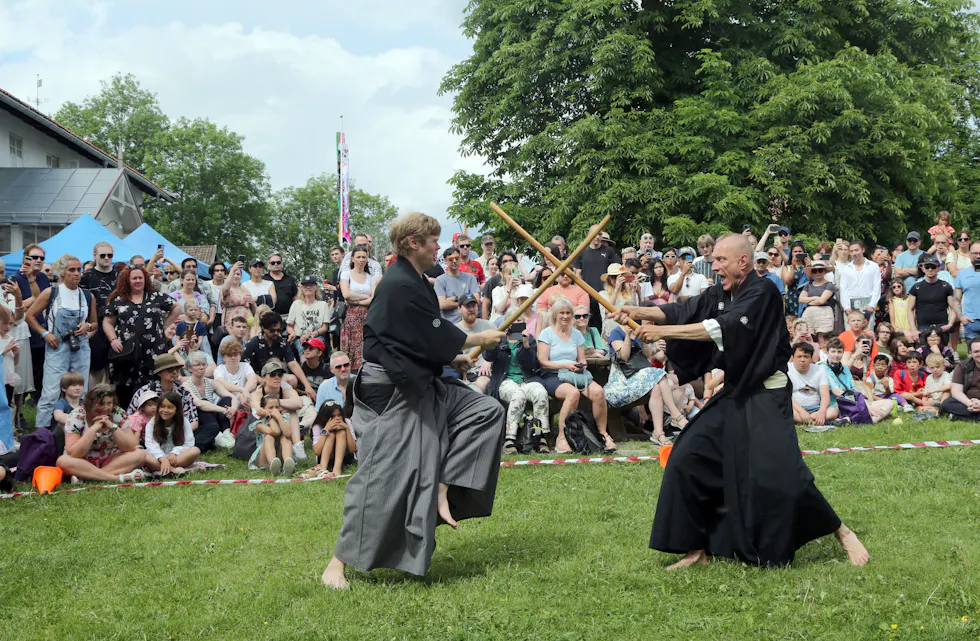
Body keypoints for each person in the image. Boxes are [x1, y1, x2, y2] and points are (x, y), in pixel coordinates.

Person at [615, 233, 868, 569]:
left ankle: (842, 532)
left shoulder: (762, 291)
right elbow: (682, 309)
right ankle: (695, 551)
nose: (715, 265)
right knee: (686, 456)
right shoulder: (720, 292)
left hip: (767, 393)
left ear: (742, 262)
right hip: (736, 391)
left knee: (780, 472)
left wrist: (663, 334)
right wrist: (635, 309)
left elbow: (722, 327)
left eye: (720, 260)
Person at [323, 212, 506, 589]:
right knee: (382, 475)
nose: (439, 247)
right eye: (433, 240)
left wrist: (450, 356)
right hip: (388, 392)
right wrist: (475, 341)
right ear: (413, 243)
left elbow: (413, 341)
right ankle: (336, 565)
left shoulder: (417, 282)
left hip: (417, 382)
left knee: (484, 410)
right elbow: (429, 334)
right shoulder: (398, 284)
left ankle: (443, 485)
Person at [26, 257, 98, 429]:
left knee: (81, 390)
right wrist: (45, 334)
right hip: (56, 347)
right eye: (71, 270)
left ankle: (80, 430)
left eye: (78, 270)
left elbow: (95, 323)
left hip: (80, 348)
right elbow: (29, 315)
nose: (76, 274)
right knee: (51, 392)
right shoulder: (51, 293)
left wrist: (87, 325)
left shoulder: (88, 296)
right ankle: (42, 434)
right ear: (62, 272)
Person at [537, 298, 613, 452]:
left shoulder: (577, 334)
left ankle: (602, 434)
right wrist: (565, 365)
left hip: (575, 373)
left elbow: (582, 358)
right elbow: (543, 362)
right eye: (562, 313)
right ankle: (562, 437)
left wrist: (581, 365)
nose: (565, 316)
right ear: (555, 315)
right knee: (572, 394)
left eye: (568, 313)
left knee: (599, 392)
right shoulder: (547, 333)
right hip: (554, 374)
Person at [103, 267, 180, 409]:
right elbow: (107, 322)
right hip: (126, 351)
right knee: (124, 390)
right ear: (127, 280)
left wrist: (163, 326)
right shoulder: (118, 299)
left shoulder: (156, 296)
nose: (138, 281)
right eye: (134, 278)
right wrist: (113, 339)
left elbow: (177, 307)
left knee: (153, 388)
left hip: (153, 350)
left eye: (140, 278)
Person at [605, 314, 687, 446]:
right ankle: (676, 415)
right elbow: (624, 357)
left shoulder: (636, 331)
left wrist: (643, 340)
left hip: (640, 376)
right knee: (660, 374)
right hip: (623, 380)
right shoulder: (616, 332)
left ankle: (658, 433)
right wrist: (627, 336)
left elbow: (648, 354)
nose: (630, 320)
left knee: (656, 388)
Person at [483, 318, 550, 454]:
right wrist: (497, 337)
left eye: (520, 320)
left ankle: (539, 436)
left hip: (527, 380)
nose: (517, 324)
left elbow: (532, 365)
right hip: (505, 381)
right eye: (514, 321)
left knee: (540, 393)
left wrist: (525, 344)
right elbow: (488, 356)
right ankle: (510, 439)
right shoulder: (500, 339)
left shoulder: (528, 339)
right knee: (517, 395)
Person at [56, 385, 147, 483]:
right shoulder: (77, 416)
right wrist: (94, 428)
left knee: (139, 454)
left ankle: (89, 478)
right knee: (62, 461)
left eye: (109, 403)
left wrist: (112, 427)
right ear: (90, 404)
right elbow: (74, 453)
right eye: (101, 404)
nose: (105, 408)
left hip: (111, 460)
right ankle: (116, 478)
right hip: (83, 462)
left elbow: (131, 447)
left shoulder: (118, 414)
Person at [243, 312, 317, 401]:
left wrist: (307, 386)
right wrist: (265, 381)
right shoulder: (252, 344)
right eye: (272, 330)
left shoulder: (282, 342)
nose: (276, 333)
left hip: (277, 376)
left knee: (292, 379)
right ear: (263, 328)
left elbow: (293, 364)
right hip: (258, 378)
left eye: (279, 330)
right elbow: (246, 369)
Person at [820, 337, 894, 424]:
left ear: (843, 353)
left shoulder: (845, 368)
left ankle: (871, 419)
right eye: (833, 351)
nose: (836, 355)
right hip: (837, 404)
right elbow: (837, 392)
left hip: (854, 400)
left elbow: (853, 389)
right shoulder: (822, 367)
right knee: (831, 414)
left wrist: (864, 403)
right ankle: (867, 416)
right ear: (828, 352)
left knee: (890, 403)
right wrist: (864, 406)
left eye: (839, 352)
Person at [14, 243, 51, 403]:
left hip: (41, 328)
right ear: (25, 258)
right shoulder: (16, 278)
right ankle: (21, 403)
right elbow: (15, 308)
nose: (38, 260)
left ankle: (36, 399)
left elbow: (47, 301)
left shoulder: (43, 278)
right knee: (22, 369)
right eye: (34, 257)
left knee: (41, 367)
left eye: (41, 258)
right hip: (21, 330)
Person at [80, 241, 119, 389]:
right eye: (103, 255)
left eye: (110, 255)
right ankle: (91, 404)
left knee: (114, 371)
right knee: (95, 369)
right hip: (95, 327)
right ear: (95, 256)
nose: (107, 258)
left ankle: (113, 408)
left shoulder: (119, 276)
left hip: (116, 326)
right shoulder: (87, 277)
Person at [184, 351, 237, 451]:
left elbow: (232, 397)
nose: (201, 367)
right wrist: (224, 410)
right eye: (197, 365)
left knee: (226, 399)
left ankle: (226, 434)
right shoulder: (186, 386)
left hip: (213, 416)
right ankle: (218, 438)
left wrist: (233, 408)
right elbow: (199, 403)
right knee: (202, 403)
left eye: (203, 364)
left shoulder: (211, 382)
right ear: (190, 368)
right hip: (199, 421)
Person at [573, 223, 620, 328]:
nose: (597, 237)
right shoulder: (581, 250)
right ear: (589, 234)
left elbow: (615, 270)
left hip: (605, 293)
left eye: (600, 234)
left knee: (605, 321)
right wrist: (580, 292)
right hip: (587, 293)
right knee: (587, 322)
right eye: (595, 234)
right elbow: (578, 274)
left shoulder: (609, 251)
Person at [341, 245, 380, 370]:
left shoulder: (370, 278)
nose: (361, 259)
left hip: (367, 317)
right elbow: (346, 294)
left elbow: (374, 299)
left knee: (364, 348)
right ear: (352, 258)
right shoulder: (346, 274)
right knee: (350, 350)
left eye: (364, 257)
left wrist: (356, 301)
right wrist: (364, 297)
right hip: (350, 318)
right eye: (358, 257)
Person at [143, 392, 200, 475]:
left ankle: (164, 468)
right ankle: (173, 469)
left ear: (177, 409)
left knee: (195, 450)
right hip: (157, 458)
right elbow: (151, 445)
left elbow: (189, 443)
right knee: (143, 455)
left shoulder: (184, 422)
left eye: (170, 407)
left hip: (176, 458)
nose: (165, 410)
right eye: (162, 406)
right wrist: (162, 459)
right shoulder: (152, 423)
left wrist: (174, 452)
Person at [907, 254, 956, 344]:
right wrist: (913, 329)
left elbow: (953, 308)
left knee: (942, 355)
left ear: (938, 268)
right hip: (923, 327)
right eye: (927, 267)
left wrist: (950, 324)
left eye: (933, 267)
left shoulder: (945, 286)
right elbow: (910, 309)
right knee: (923, 354)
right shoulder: (916, 287)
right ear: (923, 268)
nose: (930, 269)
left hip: (941, 327)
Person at [789, 342, 839, 426]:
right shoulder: (787, 370)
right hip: (796, 409)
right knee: (789, 413)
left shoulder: (820, 370)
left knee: (833, 411)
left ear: (811, 358)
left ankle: (807, 421)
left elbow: (825, 395)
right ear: (793, 357)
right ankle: (815, 422)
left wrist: (822, 412)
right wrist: (802, 411)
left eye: (806, 357)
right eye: (799, 356)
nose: (802, 360)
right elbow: (787, 396)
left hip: (815, 408)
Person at [248, 394, 295, 476]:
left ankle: (287, 464)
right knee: (269, 436)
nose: (275, 410)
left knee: (285, 438)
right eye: (271, 408)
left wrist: (279, 417)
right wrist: (268, 417)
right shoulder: (258, 424)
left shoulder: (284, 418)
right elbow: (275, 431)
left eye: (277, 407)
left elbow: (288, 434)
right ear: (263, 409)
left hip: (280, 456)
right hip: (264, 459)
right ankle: (272, 465)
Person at [311, 400, 357, 478]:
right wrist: (326, 430)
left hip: (345, 458)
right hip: (326, 458)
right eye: (332, 416)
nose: (337, 418)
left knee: (341, 432)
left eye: (339, 415)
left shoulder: (347, 422)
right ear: (324, 417)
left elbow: (353, 449)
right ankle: (322, 469)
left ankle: (337, 469)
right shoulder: (317, 426)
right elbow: (317, 451)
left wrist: (347, 429)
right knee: (331, 434)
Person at [287, 274, 330, 355]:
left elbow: (325, 327)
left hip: (317, 336)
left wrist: (310, 335)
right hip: (299, 337)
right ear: (301, 288)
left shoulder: (323, 304)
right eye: (305, 285)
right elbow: (289, 326)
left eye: (311, 285)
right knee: (303, 348)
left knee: (313, 348)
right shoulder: (296, 304)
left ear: (316, 287)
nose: (308, 287)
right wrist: (293, 333)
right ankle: (303, 366)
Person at [798, 259, 837, 350]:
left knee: (823, 340)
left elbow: (822, 301)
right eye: (815, 271)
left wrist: (808, 300)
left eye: (820, 270)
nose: (818, 272)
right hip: (809, 313)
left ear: (825, 271)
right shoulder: (808, 285)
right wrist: (814, 298)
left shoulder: (829, 284)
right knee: (806, 337)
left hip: (824, 312)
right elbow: (800, 299)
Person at [941, 337, 980, 420]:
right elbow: (956, 391)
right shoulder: (963, 366)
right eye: (976, 351)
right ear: (971, 353)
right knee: (947, 403)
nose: (979, 354)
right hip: (968, 402)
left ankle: (958, 416)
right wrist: (969, 403)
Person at [213, 339, 258, 407]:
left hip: (243, 402)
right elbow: (221, 383)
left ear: (240, 356)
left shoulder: (246, 366)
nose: (233, 358)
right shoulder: (219, 369)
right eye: (230, 355)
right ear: (223, 357)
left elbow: (253, 380)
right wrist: (242, 390)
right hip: (226, 405)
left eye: (236, 355)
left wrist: (244, 393)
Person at [954, 241, 980, 342]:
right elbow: (956, 299)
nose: (978, 256)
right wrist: (961, 317)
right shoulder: (962, 274)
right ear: (969, 255)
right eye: (975, 253)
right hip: (971, 322)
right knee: (974, 355)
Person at [221, 261, 257, 331]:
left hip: (247, 324)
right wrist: (233, 269)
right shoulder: (226, 288)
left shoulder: (244, 289)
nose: (236, 276)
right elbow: (225, 289)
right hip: (232, 324)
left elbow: (255, 311)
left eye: (238, 274)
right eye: (234, 273)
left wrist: (252, 304)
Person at [264, 252, 298, 317]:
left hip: (288, 316)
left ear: (282, 264)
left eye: (278, 262)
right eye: (273, 263)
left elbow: (295, 298)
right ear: (269, 265)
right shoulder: (264, 280)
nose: (276, 264)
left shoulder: (290, 279)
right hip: (269, 316)